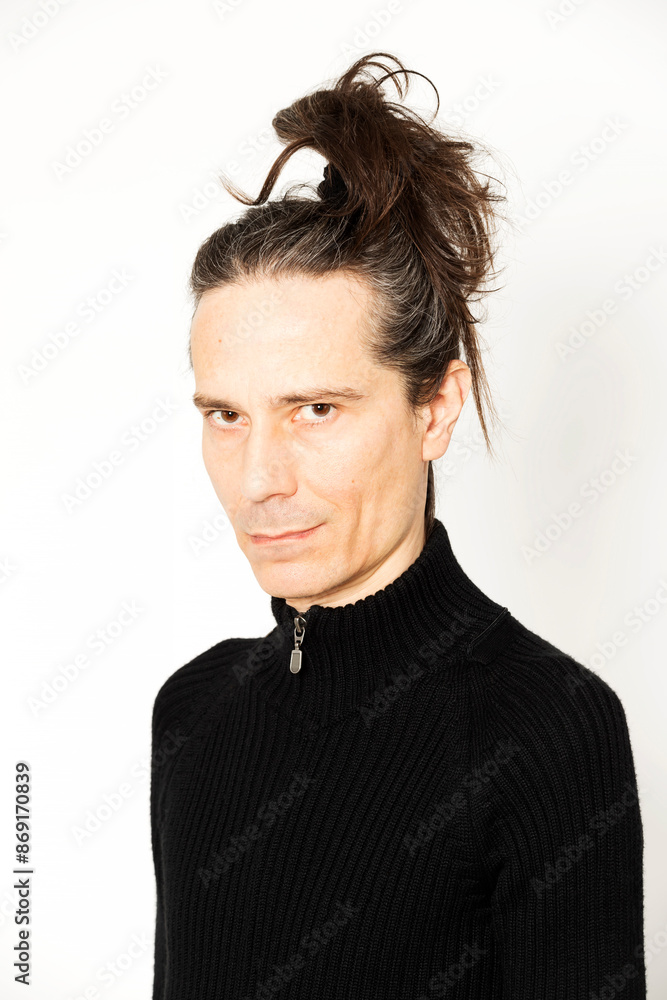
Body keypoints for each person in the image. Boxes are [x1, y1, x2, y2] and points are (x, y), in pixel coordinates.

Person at [150, 52, 646, 998]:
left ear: (435, 408)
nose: (258, 481)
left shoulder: (543, 726)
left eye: (315, 410)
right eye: (226, 415)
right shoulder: (193, 710)